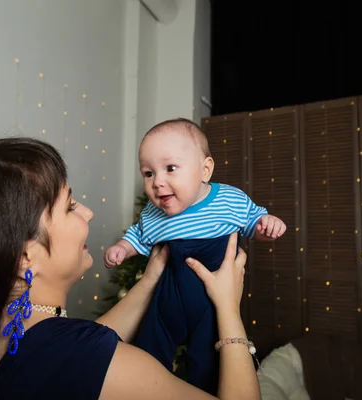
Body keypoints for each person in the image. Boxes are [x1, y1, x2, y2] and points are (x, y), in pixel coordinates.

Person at [0, 137, 260, 400]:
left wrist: (149, 280)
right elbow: (81, 357)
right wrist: (228, 309)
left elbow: (65, 348)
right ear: (23, 257)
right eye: (70, 206)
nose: (88, 213)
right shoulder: (97, 364)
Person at [104, 118, 286, 394]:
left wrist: (266, 226)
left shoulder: (228, 200)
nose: (158, 182)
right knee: (150, 343)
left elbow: (252, 221)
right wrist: (123, 248)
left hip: (211, 301)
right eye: (148, 173)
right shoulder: (154, 214)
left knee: (209, 361)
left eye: (170, 168)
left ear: (205, 170)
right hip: (170, 292)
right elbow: (139, 236)